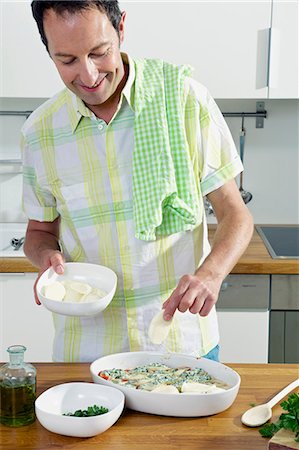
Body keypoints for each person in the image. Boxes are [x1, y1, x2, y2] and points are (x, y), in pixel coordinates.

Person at [22, 0, 253, 362]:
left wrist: (211, 274)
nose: (88, 74)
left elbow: (235, 214)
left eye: (100, 52)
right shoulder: (40, 131)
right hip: (86, 353)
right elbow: (38, 233)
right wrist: (47, 259)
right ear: (48, 51)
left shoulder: (183, 100)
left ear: (121, 28)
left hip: (180, 344)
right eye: (66, 60)